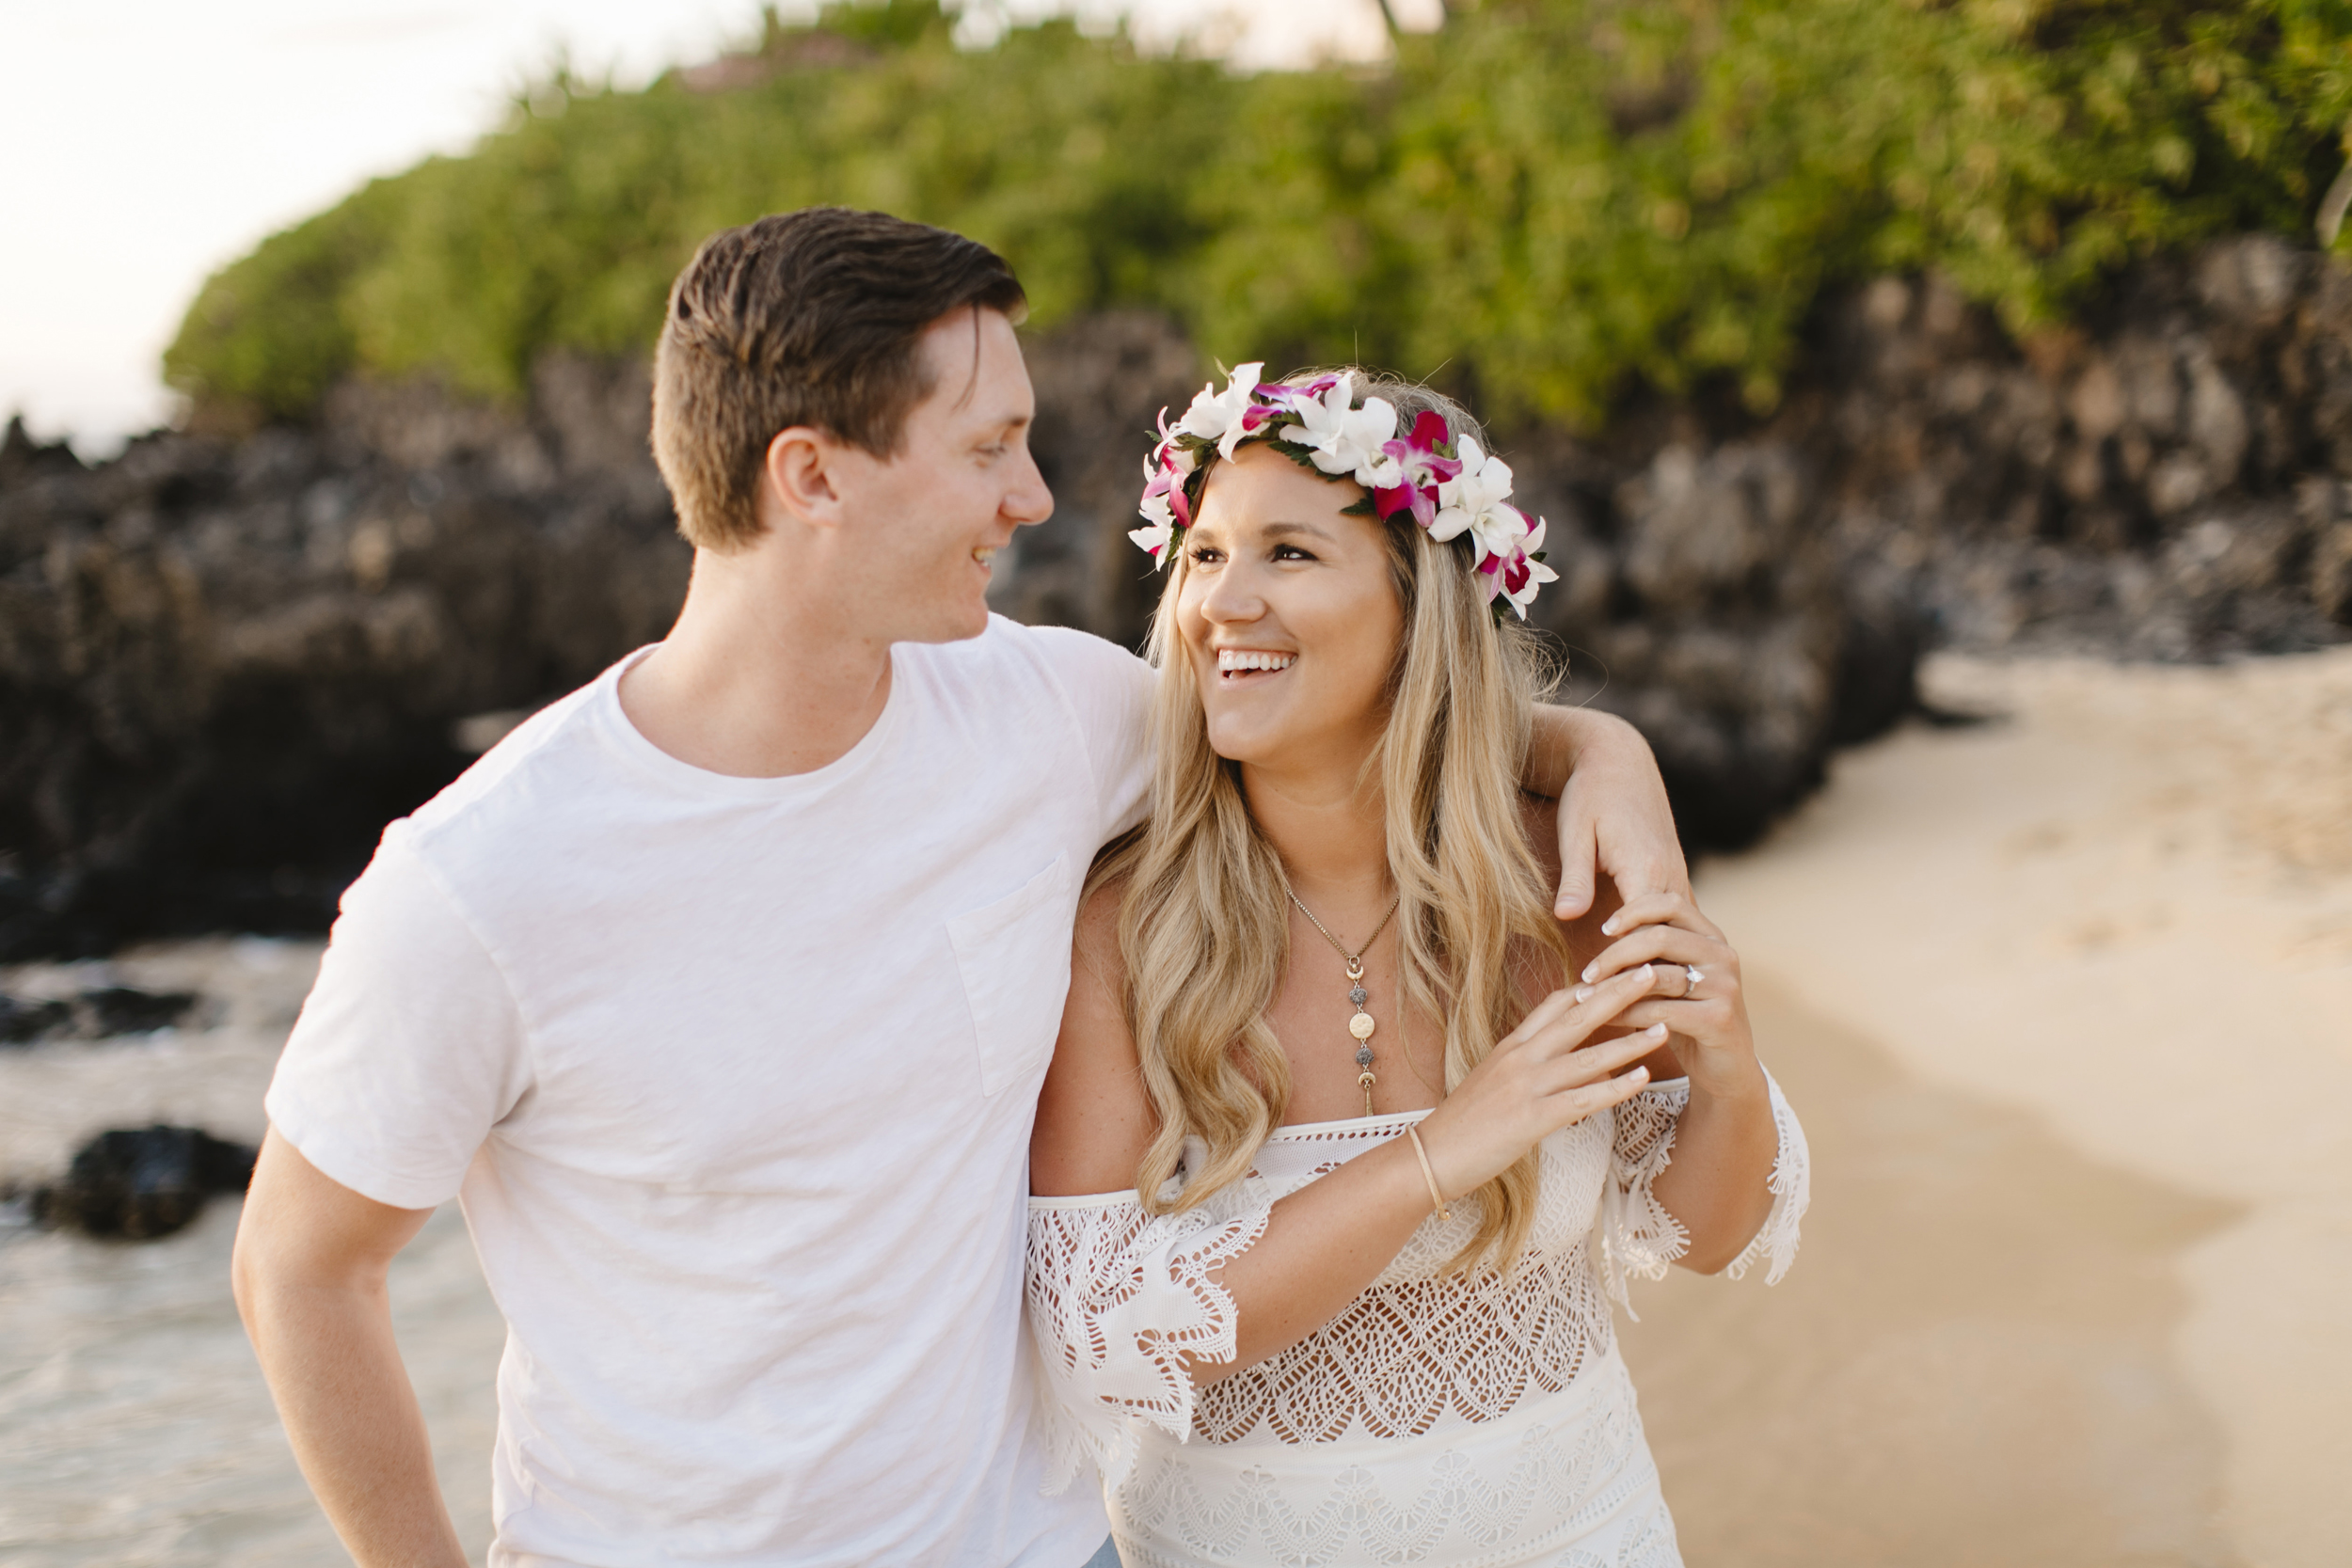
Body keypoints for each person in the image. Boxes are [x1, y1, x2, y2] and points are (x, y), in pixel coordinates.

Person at [229, 209, 1692, 1568]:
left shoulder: (1049, 717)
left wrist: (1603, 755)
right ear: (812, 475)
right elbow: (301, 1272)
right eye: (991, 446)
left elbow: (1354, 717)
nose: (1035, 497)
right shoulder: (480, 880)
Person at [1025, 369, 1810, 1567]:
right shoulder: (1127, 922)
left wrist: (1729, 1072)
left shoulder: (1566, 877)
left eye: (1287, 553)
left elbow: (1702, 1232)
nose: (1221, 602)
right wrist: (1438, 1155)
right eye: (1201, 554)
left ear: (1418, 603)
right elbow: (1107, 1335)